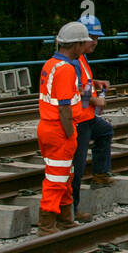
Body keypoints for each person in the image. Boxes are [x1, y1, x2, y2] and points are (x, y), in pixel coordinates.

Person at [37, 22, 90, 234]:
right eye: (83, 44)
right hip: (59, 130)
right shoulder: (66, 69)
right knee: (56, 178)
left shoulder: (50, 64)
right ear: (75, 45)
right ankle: (47, 225)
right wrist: (70, 134)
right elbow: (65, 107)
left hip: (48, 127)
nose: (85, 47)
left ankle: (65, 218)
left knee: (65, 174)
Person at [71, 14, 115, 224]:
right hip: (79, 120)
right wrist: (94, 101)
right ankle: (72, 209)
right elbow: (72, 90)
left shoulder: (81, 58)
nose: (96, 42)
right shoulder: (73, 60)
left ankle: (99, 175)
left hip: (86, 117)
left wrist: (96, 82)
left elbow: (83, 83)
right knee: (77, 166)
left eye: (97, 38)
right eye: (92, 38)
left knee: (105, 130)